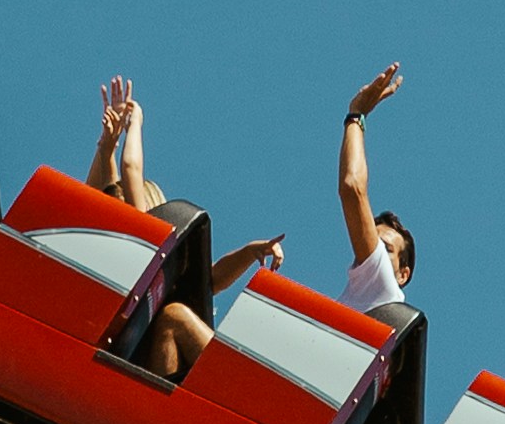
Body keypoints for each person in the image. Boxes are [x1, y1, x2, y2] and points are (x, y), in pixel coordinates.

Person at [89, 77, 288, 381]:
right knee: (173, 317)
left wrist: (250, 252)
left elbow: (209, 279)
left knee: (175, 315)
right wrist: (121, 136)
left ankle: (243, 385)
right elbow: (116, 181)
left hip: (178, 365)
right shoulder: (121, 255)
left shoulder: (157, 253)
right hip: (148, 365)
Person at [334, 67, 414, 320]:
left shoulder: (381, 284)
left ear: (403, 274)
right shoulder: (365, 298)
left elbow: (352, 188)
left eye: (386, 249)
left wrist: (356, 116)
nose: (374, 248)